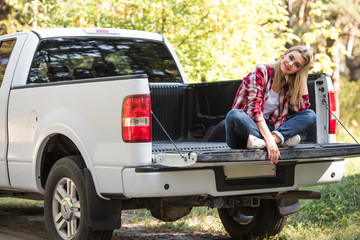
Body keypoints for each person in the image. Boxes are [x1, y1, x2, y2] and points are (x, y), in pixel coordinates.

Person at [225, 45, 317, 164]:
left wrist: (303, 75)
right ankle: (280, 140)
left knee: (310, 115)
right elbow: (254, 111)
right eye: (291, 57)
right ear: (285, 53)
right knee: (234, 115)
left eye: (297, 65)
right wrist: (270, 140)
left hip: (265, 132)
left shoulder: (286, 84)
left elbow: (302, 108)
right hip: (245, 132)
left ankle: (267, 142)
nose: (290, 63)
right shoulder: (261, 71)